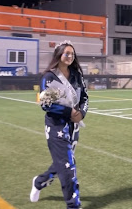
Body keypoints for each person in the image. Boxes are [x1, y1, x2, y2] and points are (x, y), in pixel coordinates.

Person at [30, 40, 89, 209]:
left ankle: (39, 182)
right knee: (68, 167)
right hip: (56, 126)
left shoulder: (77, 75)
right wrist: (68, 113)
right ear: (59, 55)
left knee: (63, 163)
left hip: (73, 127)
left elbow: (84, 98)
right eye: (66, 53)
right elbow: (46, 105)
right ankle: (73, 205)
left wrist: (81, 114)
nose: (70, 56)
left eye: (72, 53)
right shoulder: (49, 77)